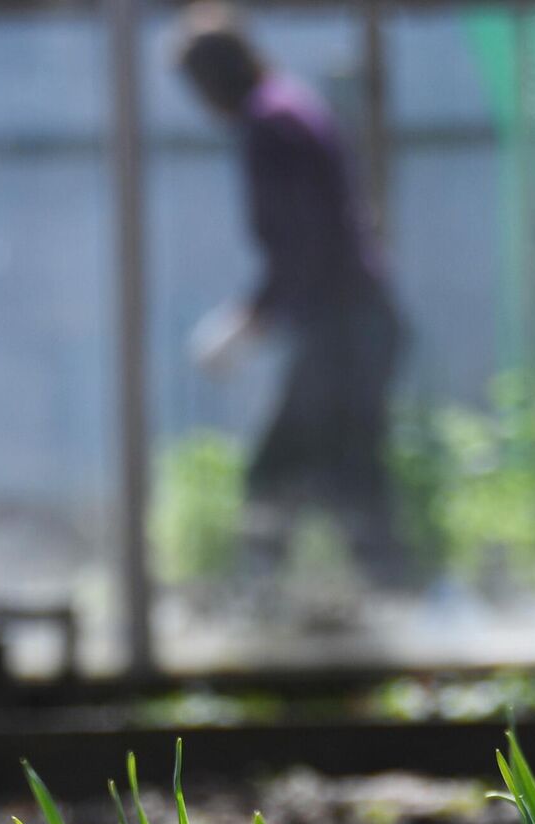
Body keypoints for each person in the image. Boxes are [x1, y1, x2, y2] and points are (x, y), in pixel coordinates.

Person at [176, 3, 405, 586]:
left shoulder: (269, 123)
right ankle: (385, 602)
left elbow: (304, 244)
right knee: (350, 474)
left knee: (280, 474)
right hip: (356, 322)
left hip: (346, 327)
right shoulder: (289, 107)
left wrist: (248, 319)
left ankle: (266, 605)